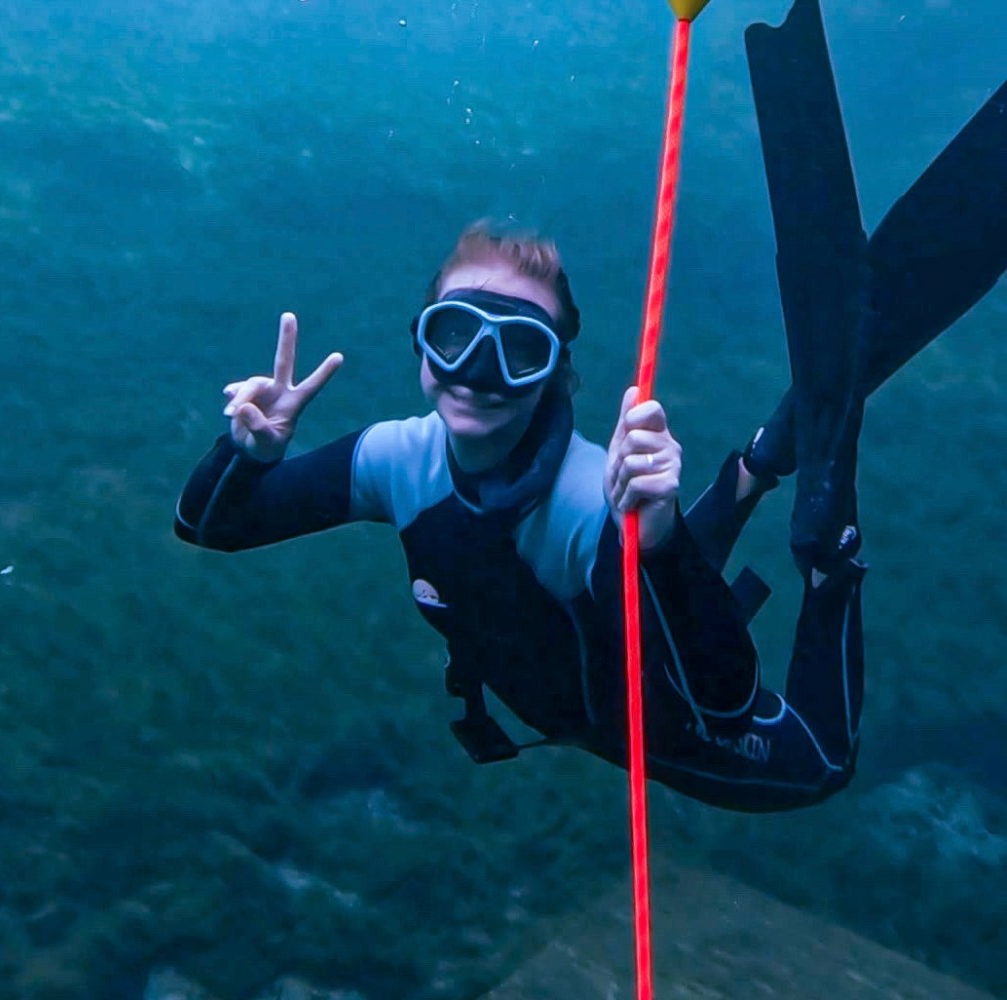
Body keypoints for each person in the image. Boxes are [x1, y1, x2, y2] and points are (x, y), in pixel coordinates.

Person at [175, 0, 1005, 813]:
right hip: (612, 646)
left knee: (821, 763)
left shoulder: (585, 505)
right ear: (421, 351)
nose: (480, 371)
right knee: (650, 561)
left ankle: (829, 559)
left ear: (553, 374)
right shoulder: (397, 459)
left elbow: (724, 699)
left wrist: (666, 539)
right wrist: (250, 452)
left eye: (520, 347)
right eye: (455, 333)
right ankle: (754, 467)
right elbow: (211, 526)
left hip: (658, 720)